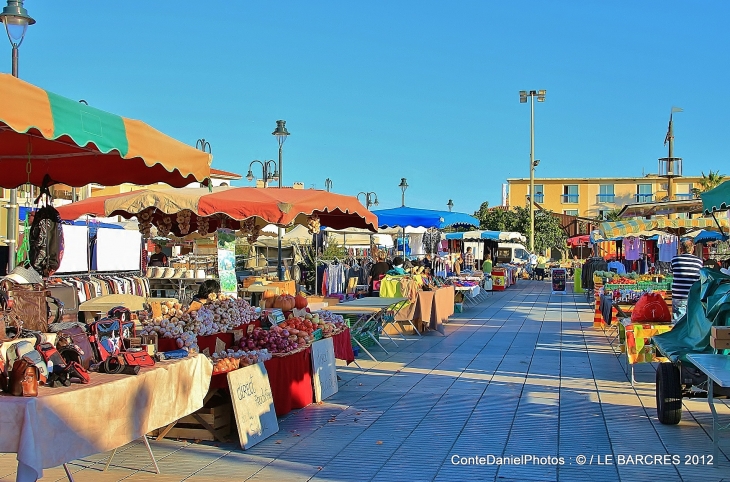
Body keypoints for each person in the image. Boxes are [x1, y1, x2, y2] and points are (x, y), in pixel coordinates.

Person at [670, 239, 703, 321]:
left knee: (679, 322)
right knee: (692, 320)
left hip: (679, 295)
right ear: (692, 249)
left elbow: (671, 272)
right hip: (693, 295)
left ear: (681, 249)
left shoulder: (675, 260)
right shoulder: (699, 262)